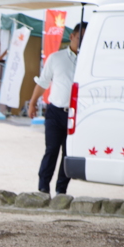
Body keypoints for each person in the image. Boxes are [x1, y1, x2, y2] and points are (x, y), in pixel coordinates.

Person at [28, 22, 86, 196]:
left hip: (76, 114)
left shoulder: (88, 61)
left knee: (68, 152)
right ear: (72, 36)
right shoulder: (56, 58)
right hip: (55, 111)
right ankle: (43, 187)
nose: (82, 41)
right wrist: (32, 102)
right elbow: (43, 82)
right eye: (80, 37)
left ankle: (61, 190)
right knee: (51, 150)